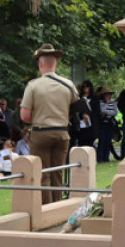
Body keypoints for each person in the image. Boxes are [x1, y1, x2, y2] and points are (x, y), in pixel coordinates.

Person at [20, 43, 76, 204]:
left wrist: (39, 118)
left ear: (41, 64)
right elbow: (75, 109)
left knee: (43, 174)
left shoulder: (33, 85)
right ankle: (57, 208)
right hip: (62, 133)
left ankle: (46, 209)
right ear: (56, 64)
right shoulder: (69, 85)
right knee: (57, 172)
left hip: (41, 133)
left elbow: (24, 116)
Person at [96, 86, 118, 163]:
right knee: (102, 141)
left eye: (109, 94)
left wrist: (107, 112)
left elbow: (115, 112)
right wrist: (106, 104)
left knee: (108, 142)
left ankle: (106, 158)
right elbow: (101, 111)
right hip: (103, 124)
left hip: (110, 124)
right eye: (106, 94)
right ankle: (100, 159)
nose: (108, 96)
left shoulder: (113, 102)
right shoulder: (100, 103)